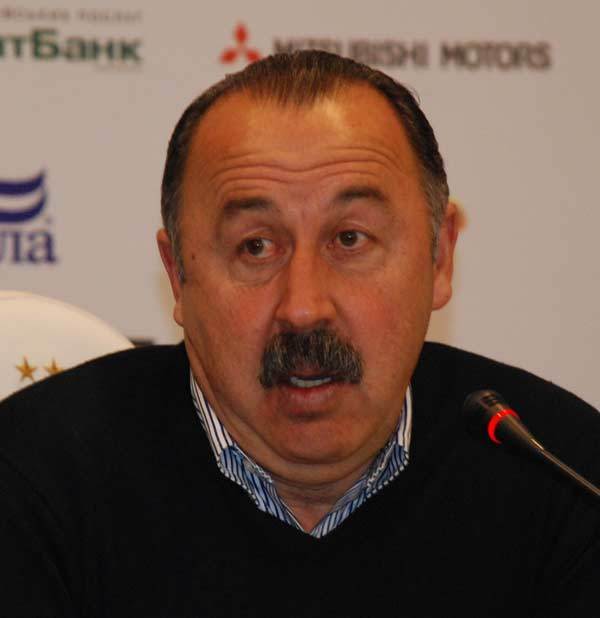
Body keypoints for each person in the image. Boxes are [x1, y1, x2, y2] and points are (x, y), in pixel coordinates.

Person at [0, 50, 598, 618]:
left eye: (350, 239)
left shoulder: (565, 474)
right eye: (255, 247)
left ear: (439, 257)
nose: (305, 308)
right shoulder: (30, 479)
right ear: (178, 274)